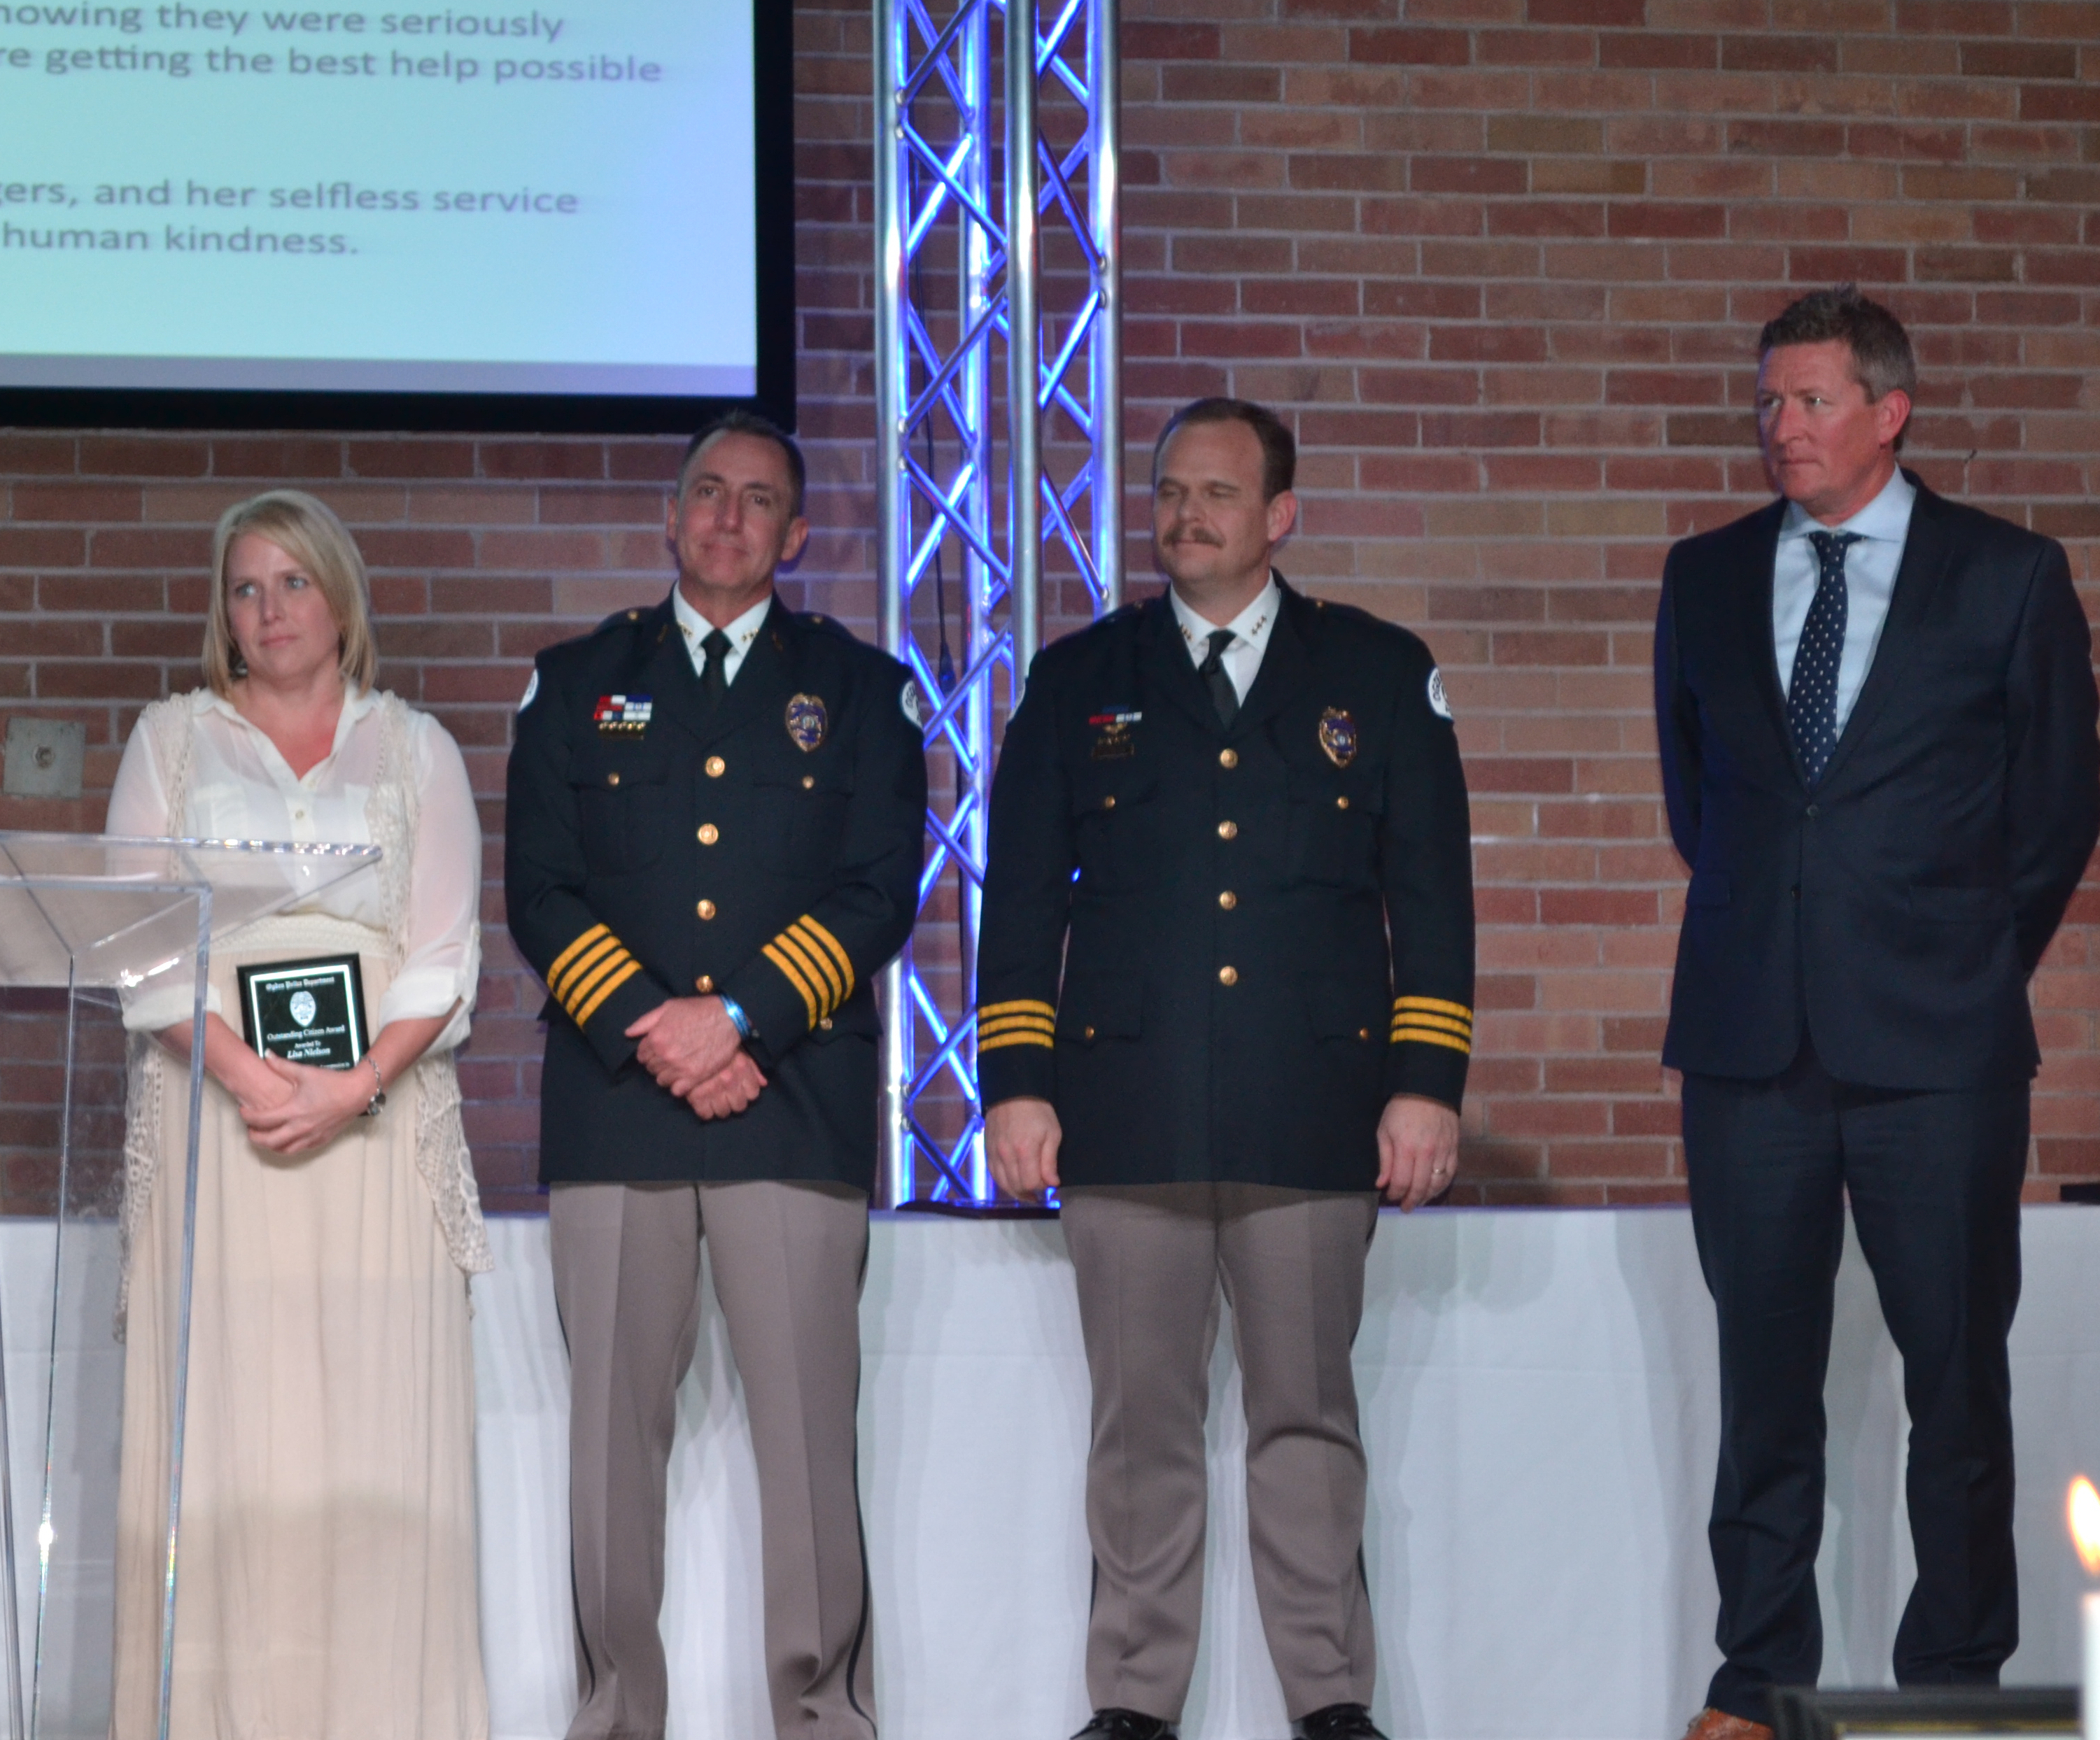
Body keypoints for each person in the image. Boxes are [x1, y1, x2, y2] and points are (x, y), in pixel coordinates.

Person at [976, 395, 1474, 1740]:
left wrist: (1425, 1083)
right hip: (1123, 1113)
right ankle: (1135, 1702)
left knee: (1308, 1424)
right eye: (1167, 493)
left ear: (1281, 517)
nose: (1184, 516)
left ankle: (1329, 1699)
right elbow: (1018, 900)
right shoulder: (1082, 679)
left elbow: (1429, 896)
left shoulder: (1376, 673)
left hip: (1312, 1108)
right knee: (1139, 1432)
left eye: (1216, 495)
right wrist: (1017, 1083)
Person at [1656, 288, 2100, 1740]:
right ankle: (1756, 1681)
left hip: (1942, 1051)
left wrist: (1960, 955)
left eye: (1811, 402)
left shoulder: (2009, 576)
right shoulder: (1705, 575)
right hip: (1748, 1048)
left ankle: (1958, 1687)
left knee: (1956, 1383)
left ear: (1889, 411)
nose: (1780, 427)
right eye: (1769, 401)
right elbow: (1703, 802)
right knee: (1762, 1386)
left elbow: (2056, 815)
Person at [505, 410, 927, 1740]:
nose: (728, 516)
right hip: (619, 1107)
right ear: (669, 518)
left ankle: (821, 1720)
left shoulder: (862, 690)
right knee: (609, 1460)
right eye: (707, 493)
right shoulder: (575, 679)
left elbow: (878, 892)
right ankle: (617, 1717)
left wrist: (737, 1018)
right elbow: (540, 888)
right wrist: (659, 1025)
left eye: (758, 500)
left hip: (788, 1104)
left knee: (809, 1450)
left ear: (797, 536)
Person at [102, 488, 493, 1740]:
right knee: (232, 1436)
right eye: (244, 586)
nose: (267, 609)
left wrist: (353, 1084)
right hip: (221, 1125)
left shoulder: (416, 745)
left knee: (372, 1435)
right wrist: (251, 1077)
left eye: (291, 583)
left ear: (340, 599)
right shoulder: (168, 742)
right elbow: (138, 954)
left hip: (374, 1135)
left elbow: (444, 954)